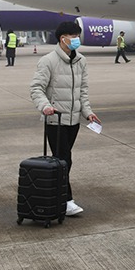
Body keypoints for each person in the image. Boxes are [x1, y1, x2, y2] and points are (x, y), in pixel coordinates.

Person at [30, 21, 101, 216]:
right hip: (55, 120)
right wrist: (45, 106)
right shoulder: (48, 61)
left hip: (74, 121)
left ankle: (54, 194)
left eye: (77, 35)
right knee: (64, 160)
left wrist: (88, 113)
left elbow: (82, 92)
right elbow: (36, 88)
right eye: (73, 36)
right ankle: (66, 200)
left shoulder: (81, 61)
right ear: (63, 39)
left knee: (63, 160)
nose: (77, 39)